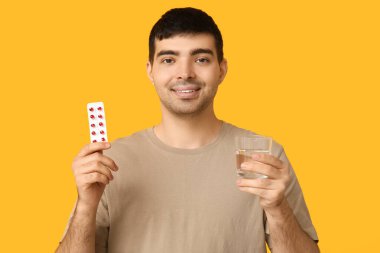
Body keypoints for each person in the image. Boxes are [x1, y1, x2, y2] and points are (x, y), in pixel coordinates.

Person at [56, 7, 319, 253]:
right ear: (151, 71)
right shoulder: (110, 161)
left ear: (222, 69)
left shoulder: (264, 157)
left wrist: (278, 209)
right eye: (169, 59)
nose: (185, 73)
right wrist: (85, 207)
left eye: (201, 59)